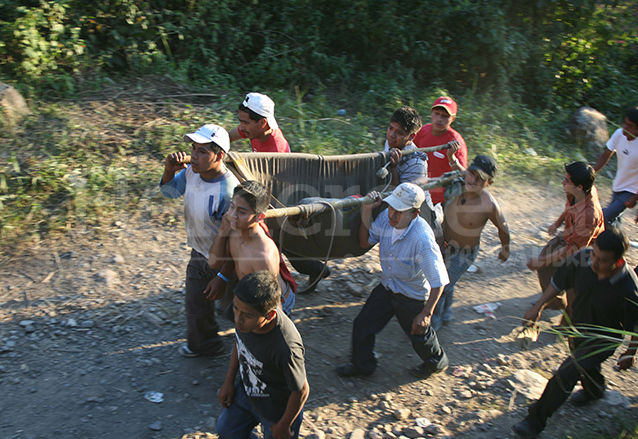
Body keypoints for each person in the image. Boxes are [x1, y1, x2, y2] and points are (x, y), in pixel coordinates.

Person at [512, 227, 638, 438]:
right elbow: (558, 283)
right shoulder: (583, 258)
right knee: (584, 365)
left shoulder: (629, 288)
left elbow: (635, 328)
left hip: (602, 340)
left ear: (618, 263)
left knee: (566, 372)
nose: (594, 262)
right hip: (577, 328)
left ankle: (534, 421)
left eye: (602, 260)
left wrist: (630, 353)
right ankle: (594, 390)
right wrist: (539, 306)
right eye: (594, 254)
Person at [335, 183, 450, 379]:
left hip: (411, 295)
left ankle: (437, 363)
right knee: (362, 324)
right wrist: (366, 211)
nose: (392, 214)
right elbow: (365, 242)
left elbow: (438, 281)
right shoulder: (385, 219)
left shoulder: (422, 239)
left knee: (419, 333)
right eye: (391, 207)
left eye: (399, 211)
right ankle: (363, 366)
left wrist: (426, 313)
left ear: (414, 214)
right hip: (388, 286)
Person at [230, 92, 329, 293]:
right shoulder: (253, 130)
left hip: (279, 194)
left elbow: (265, 184)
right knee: (280, 240)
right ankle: (315, 269)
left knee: (280, 241)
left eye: (246, 123)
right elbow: (229, 136)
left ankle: (312, 270)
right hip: (265, 188)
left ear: (263, 123)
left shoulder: (275, 148)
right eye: (240, 121)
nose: (242, 127)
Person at [160, 124, 239, 358]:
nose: (194, 156)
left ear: (220, 155)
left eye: (203, 152)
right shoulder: (192, 172)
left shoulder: (229, 192)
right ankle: (205, 346)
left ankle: (255, 348)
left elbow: (237, 242)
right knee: (196, 305)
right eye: (194, 149)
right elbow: (170, 193)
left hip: (226, 261)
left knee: (236, 311)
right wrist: (168, 171)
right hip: (198, 254)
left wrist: (223, 276)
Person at [216, 271, 309, 439]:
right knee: (226, 432)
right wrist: (229, 381)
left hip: (278, 408)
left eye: (247, 315)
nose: (237, 319)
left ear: (270, 315)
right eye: (236, 309)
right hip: (247, 393)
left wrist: (283, 425)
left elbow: (302, 390)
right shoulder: (243, 310)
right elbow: (240, 342)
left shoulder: (285, 346)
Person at [431, 155, 510, 331]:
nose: (473, 180)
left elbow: (503, 227)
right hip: (444, 244)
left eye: (480, 178)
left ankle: (432, 325)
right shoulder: (456, 183)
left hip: (465, 253)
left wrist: (505, 248)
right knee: (446, 279)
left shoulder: (488, 204)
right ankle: (446, 314)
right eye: (471, 173)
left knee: (441, 285)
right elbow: (431, 181)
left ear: (489, 183)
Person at [527, 162, 604, 320]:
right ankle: (555, 302)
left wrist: (542, 260)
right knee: (545, 268)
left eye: (567, 181)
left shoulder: (589, 215)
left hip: (585, 251)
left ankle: (567, 330)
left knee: (574, 291)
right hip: (570, 236)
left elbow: (574, 249)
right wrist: (557, 223)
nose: (563, 182)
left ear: (580, 187)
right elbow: (568, 208)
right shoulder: (577, 192)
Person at [209, 180, 297, 316]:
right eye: (232, 207)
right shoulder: (234, 229)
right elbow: (214, 263)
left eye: (242, 212)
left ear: (259, 217)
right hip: (252, 294)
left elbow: (273, 303)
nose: (233, 215)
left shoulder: (263, 255)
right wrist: (222, 230)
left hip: (274, 302)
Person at [413, 96, 468, 206]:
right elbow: (410, 151)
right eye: (437, 113)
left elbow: (463, 175)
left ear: (453, 118)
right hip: (419, 191)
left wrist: (451, 157)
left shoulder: (455, 141)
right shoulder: (423, 131)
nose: (439, 119)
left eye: (445, 116)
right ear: (431, 113)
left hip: (443, 199)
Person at [384, 106, 434, 211]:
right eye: (390, 128)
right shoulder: (390, 143)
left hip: (413, 212)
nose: (392, 135)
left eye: (399, 133)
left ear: (412, 136)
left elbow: (403, 199)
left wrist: (393, 168)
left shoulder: (417, 163)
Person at [593, 106, 638, 225]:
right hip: (618, 185)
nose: (625, 127)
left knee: (604, 216)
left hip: (632, 191)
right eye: (624, 123)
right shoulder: (619, 134)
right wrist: (591, 172)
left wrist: (635, 198)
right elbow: (605, 155)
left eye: (630, 126)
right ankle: (620, 242)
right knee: (613, 223)